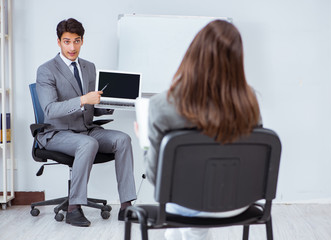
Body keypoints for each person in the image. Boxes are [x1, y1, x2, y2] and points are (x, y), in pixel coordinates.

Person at [140, 20, 262, 240]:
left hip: (187, 205)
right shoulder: (249, 100)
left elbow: (155, 178)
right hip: (239, 203)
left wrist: (145, 141)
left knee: (182, 216)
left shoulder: (163, 105)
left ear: (193, 56)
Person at [36, 18, 136, 227]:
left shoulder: (89, 67)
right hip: (57, 132)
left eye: (77, 41)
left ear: (82, 41)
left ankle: (127, 207)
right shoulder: (46, 70)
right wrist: (83, 100)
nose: (72, 47)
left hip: (87, 129)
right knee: (87, 144)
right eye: (67, 41)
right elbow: (50, 110)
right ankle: (74, 208)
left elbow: (94, 106)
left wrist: (112, 102)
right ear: (58, 42)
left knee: (123, 139)